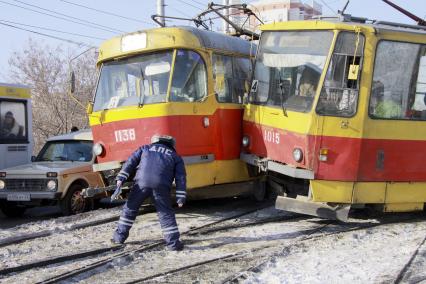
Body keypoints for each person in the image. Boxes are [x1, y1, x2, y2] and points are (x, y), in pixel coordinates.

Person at [112, 135, 187, 251]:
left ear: (155, 142)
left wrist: (121, 178)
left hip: (141, 184)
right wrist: (180, 198)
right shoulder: (176, 157)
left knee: (130, 209)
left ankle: (118, 238)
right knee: (165, 214)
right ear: (171, 144)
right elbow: (180, 178)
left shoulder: (145, 148)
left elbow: (130, 162)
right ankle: (173, 244)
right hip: (161, 186)